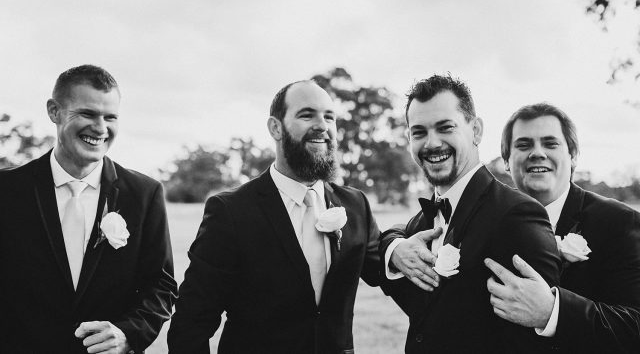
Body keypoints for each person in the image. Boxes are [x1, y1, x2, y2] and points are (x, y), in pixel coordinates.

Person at [167, 80, 382, 353]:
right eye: (307, 115)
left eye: (330, 117)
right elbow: (191, 321)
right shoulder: (230, 211)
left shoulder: (355, 204)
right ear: (275, 128)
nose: (323, 125)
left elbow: (383, 265)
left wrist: (399, 244)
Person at [0, 65, 177, 354]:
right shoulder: (6, 191)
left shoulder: (144, 194)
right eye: (87, 114)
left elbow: (161, 285)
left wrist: (129, 334)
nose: (100, 128)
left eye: (110, 117)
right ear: (54, 112)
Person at [379, 74, 561, 353]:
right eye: (419, 132)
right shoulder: (420, 223)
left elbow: (540, 343)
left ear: (475, 130)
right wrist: (394, 246)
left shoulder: (517, 214)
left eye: (445, 127)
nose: (431, 143)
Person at [484, 103, 640, 353]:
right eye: (523, 145)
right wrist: (396, 245)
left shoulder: (620, 222)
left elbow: (635, 326)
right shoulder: (487, 217)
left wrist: (552, 312)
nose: (537, 153)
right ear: (506, 160)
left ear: (574, 155)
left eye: (550, 143)